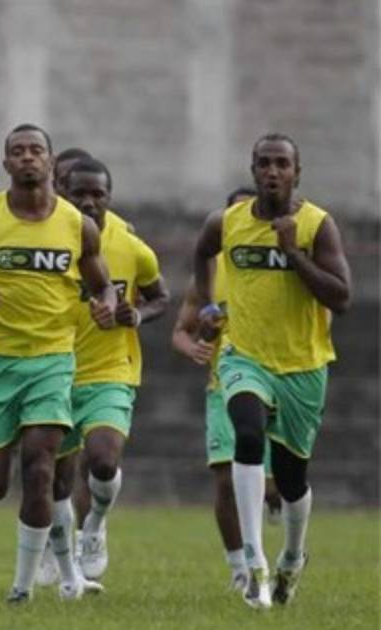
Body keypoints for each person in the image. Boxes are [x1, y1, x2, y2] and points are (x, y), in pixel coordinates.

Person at [0, 124, 117, 603]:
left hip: (52, 360)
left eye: (36, 150)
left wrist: (106, 306)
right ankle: (44, 561)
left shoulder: (77, 224)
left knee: (40, 467)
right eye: (18, 151)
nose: (28, 157)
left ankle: (22, 586)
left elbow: (103, 285)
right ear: (6, 163)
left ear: (51, 161)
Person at [192, 134, 351, 609]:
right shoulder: (226, 222)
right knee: (246, 436)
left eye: (282, 164)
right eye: (264, 163)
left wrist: (294, 253)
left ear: (297, 173)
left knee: (291, 477)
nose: (272, 171)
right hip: (244, 357)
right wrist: (209, 304)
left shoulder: (317, 225)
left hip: (302, 365)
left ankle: (293, 556)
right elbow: (202, 252)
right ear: (253, 169)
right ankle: (254, 562)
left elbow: (341, 297)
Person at [47, 157, 170, 584]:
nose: (88, 202)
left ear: (109, 196)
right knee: (52, 476)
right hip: (52, 368)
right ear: (60, 192)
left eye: (97, 194)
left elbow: (160, 296)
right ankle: (54, 546)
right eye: (78, 193)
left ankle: (94, 526)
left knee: (102, 459)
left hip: (110, 369)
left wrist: (136, 315)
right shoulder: (45, 237)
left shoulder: (131, 247)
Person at [174, 186, 268, 592]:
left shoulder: (277, 268)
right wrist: (196, 345)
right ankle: (240, 568)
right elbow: (181, 331)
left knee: (276, 486)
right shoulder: (210, 274)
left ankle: (284, 550)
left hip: (277, 378)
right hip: (223, 386)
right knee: (226, 482)